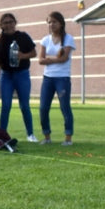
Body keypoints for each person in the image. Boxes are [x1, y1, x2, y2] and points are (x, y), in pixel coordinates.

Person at [0, 12, 38, 142]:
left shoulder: (22, 36)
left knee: (24, 105)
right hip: (6, 75)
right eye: (6, 22)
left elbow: (34, 53)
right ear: (1, 25)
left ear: (15, 23)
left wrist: (22, 56)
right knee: (6, 105)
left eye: (11, 22)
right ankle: (2, 135)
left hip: (21, 74)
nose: (9, 25)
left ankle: (30, 134)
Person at [38, 11, 76, 145]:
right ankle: (47, 137)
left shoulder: (68, 39)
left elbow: (64, 59)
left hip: (62, 78)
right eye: (49, 22)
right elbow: (41, 60)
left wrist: (50, 59)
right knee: (43, 108)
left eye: (54, 22)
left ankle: (68, 137)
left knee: (65, 107)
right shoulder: (45, 40)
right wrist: (55, 58)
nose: (51, 24)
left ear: (61, 23)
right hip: (48, 78)